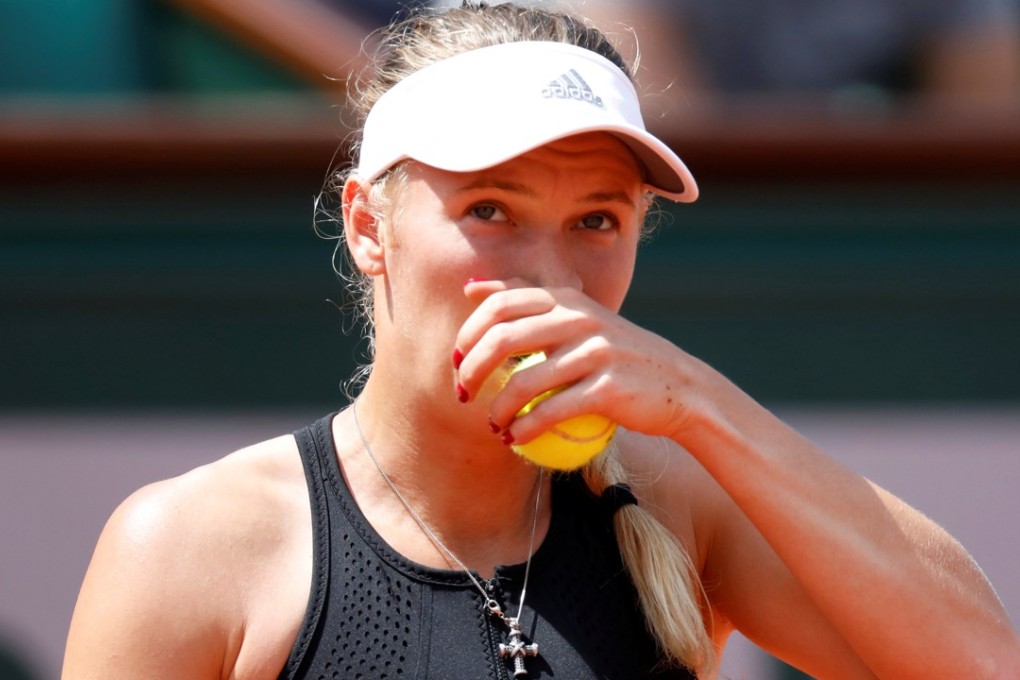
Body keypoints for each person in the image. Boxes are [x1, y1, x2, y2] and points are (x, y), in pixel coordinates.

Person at [62, 2, 1020, 679]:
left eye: (597, 221)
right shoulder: (189, 548)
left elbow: (979, 665)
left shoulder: (679, 499)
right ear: (367, 226)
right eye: (490, 208)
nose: (549, 275)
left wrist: (701, 405)